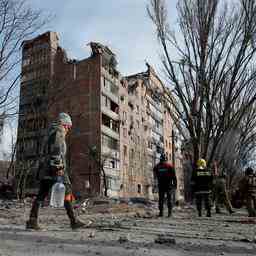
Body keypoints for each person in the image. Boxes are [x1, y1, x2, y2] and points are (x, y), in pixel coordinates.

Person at [26, 113, 85, 230]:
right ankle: (74, 221)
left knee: (41, 195)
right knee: (67, 192)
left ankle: (32, 221)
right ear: (64, 124)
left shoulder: (50, 132)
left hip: (46, 169)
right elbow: (56, 150)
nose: (69, 129)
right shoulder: (59, 131)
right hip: (55, 169)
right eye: (68, 126)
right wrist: (58, 167)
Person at [153, 153, 177, 217]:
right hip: (168, 185)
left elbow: (155, 176)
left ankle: (161, 213)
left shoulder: (156, 166)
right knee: (169, 199)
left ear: (160, 159)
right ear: (166, 159)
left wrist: (155, 184)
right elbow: (174, 177)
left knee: (161, 199)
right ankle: (170, 213)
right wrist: (175, 185)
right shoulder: (170, 166)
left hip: (161, 185)